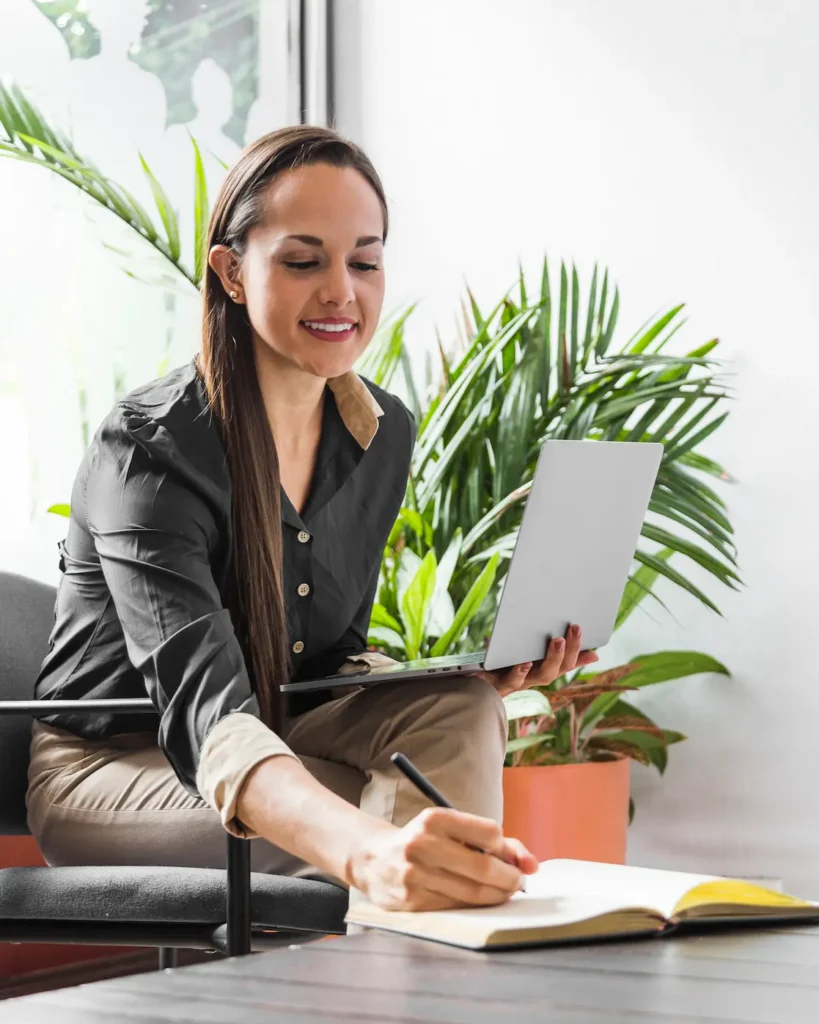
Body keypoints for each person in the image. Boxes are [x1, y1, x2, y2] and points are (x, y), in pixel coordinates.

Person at [27, 126, 599, 912]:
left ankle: (417, 976)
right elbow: (208, 716)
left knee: (461, 711)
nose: (341, 292)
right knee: (360, 806)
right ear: (230, 272)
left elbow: (327, 658)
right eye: (303, 262)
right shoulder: (150, 451)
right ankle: (408, 962)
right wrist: (367, 851)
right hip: (114, 770)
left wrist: (464, 676)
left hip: (278, 725)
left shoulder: (380, 433)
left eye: (364, 261)